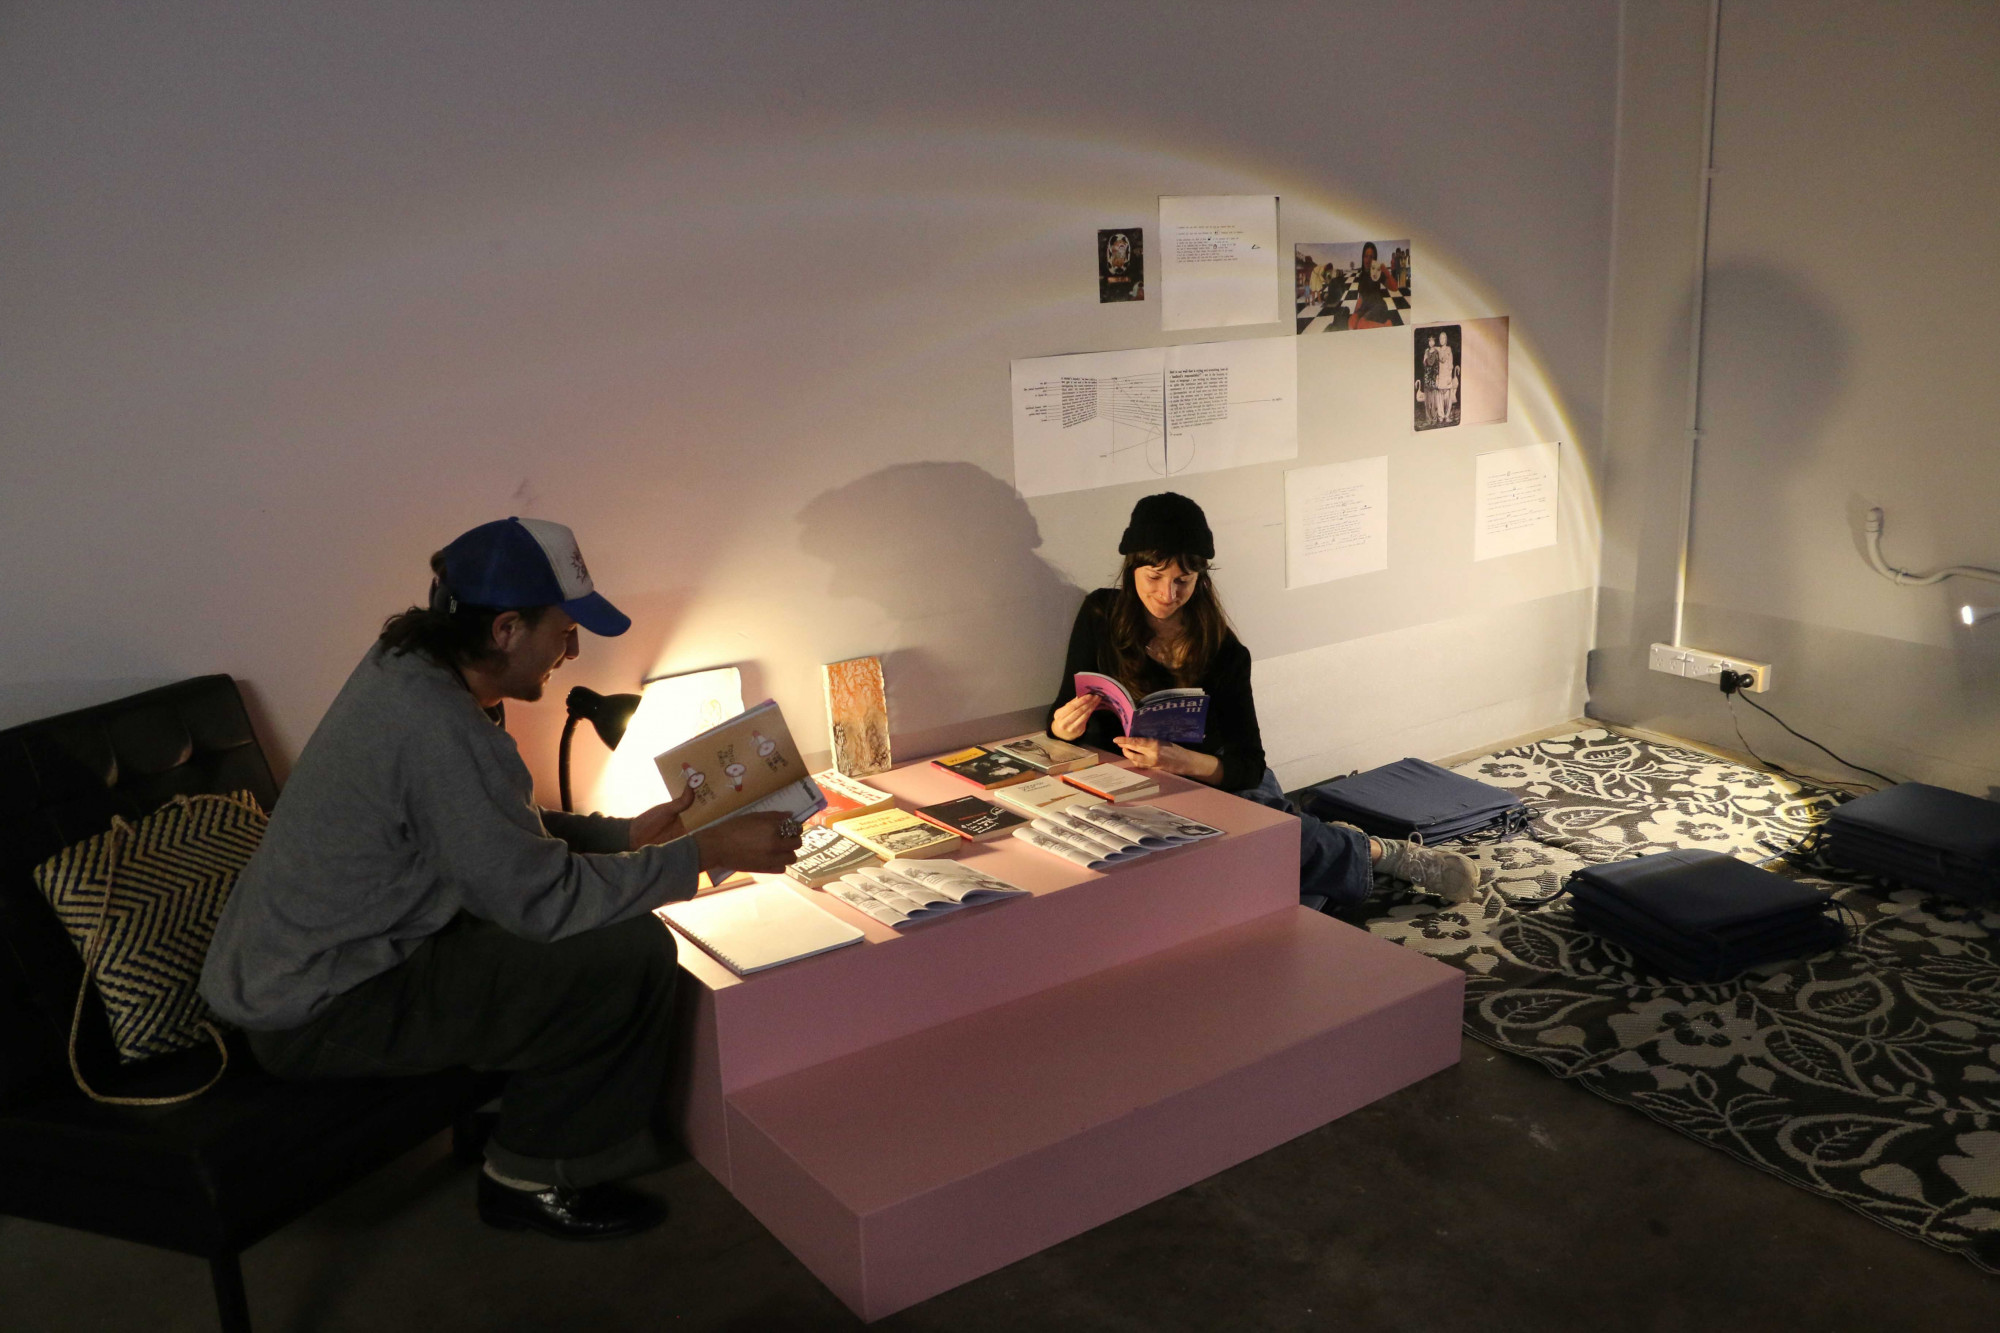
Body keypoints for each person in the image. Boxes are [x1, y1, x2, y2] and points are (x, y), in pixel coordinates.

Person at [201, 516, 802, 1240]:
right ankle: (532, 1172)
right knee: (627, 952)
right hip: (321, 1007)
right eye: (565, 629)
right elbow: (542, 901)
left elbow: (482, 833)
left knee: (582, 927)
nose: (572, 649)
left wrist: (622, 835)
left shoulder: (412, 665)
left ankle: (524, 1112)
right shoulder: (437, 726)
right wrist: (702, 853)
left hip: (310, 966)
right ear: (508, 629)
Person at [1045, 493, 1477, 911]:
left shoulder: (1224, 652)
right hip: (1129, 784)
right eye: (1153, 577)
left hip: (1219, 778)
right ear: (1132, 568)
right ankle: (1325, 846)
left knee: (1267, 832)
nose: (1167, 594)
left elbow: (1247, 763)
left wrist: (1183, 763)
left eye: (1183, 581)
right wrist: (1063, 727)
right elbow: (1063, 712)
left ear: (1202, 578)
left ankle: (1382, 853)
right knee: (1266, 865)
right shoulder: (1100, 615)